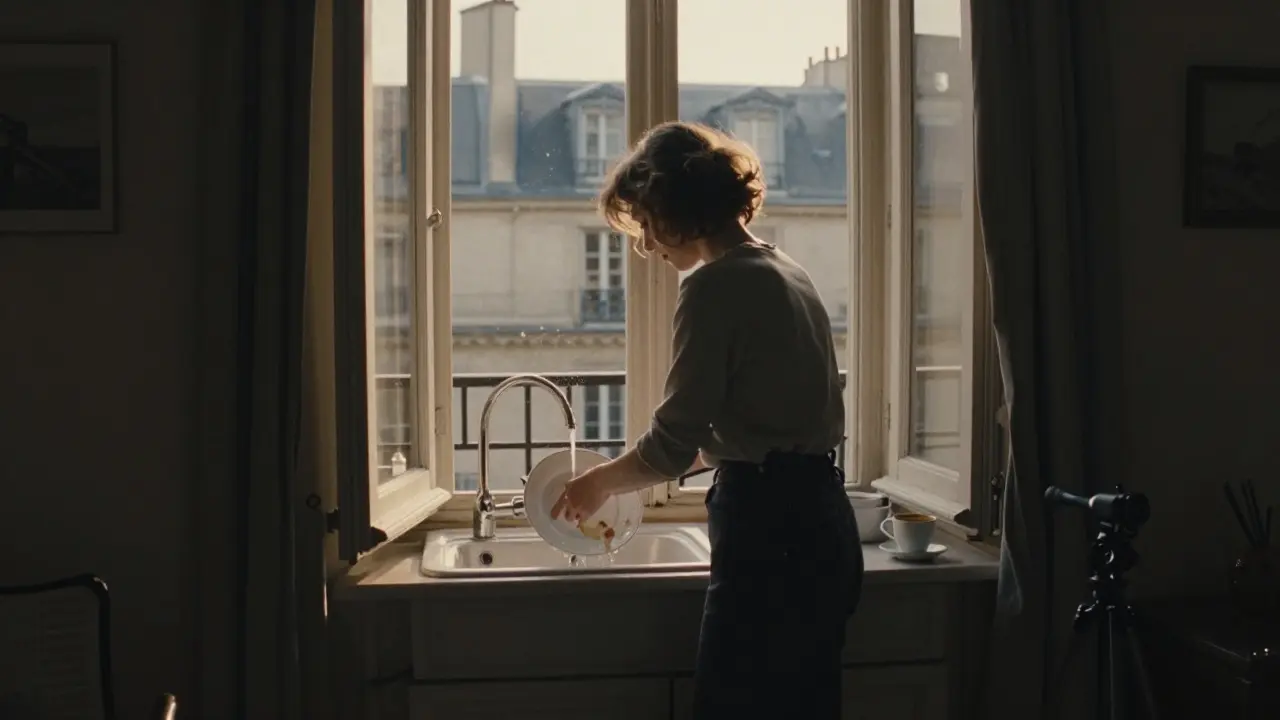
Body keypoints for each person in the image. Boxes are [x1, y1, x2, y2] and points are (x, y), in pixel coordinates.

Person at [551, 121, 863, 719]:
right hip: (824, 519)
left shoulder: (715, 286)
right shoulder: (786, 270)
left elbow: (672, 446)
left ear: (677, 207)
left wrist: (597, 483)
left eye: (646, 222)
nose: (646, 245)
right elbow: (748, 425)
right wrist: (645, 467)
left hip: (769, 528)